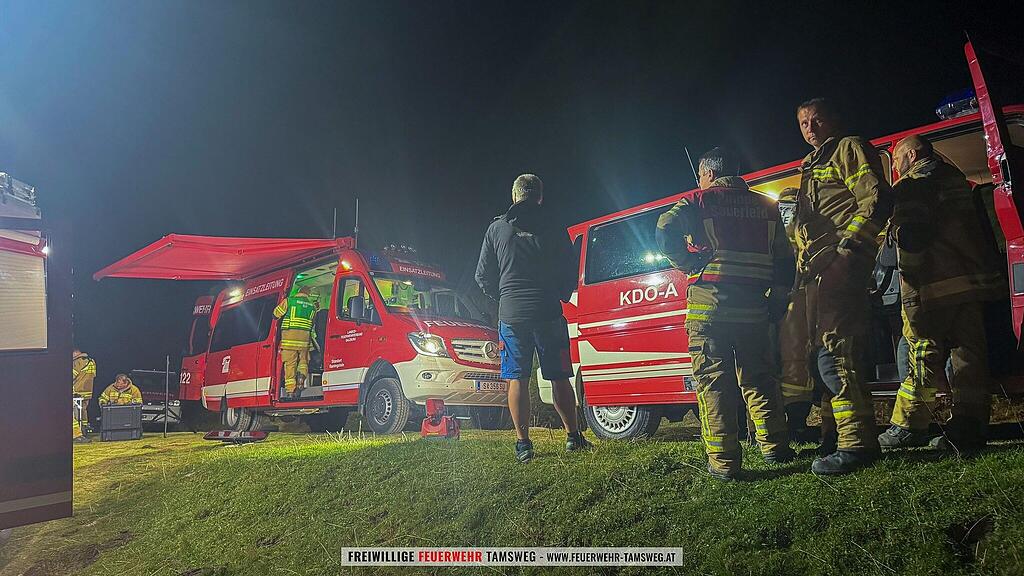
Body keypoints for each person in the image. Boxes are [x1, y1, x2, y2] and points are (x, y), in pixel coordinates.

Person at [656, 147, 794, 480]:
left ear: (707, 174)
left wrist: (687, 262)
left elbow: (663, 230)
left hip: (710, 311)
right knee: (760, 379)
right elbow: (785, 258)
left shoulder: (698, 201)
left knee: (714, 384)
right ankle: (774, 447)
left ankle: (723, 462)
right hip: (753, 310)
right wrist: (777, 295)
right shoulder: (766, 205)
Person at [877, 135, 1004, 453]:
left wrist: (911, 276)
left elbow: (911, 234)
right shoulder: (955, 179)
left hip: (933, 284)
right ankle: (968, 425)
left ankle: (909, 425)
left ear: (912, 154)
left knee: (922, 352)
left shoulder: (914, 182)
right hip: (968, 282)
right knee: (969, 355)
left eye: (896, 160)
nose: (896, 167)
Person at [793, 98, 893, 475]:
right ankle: (833, 436)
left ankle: (857, 444)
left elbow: (877, 199)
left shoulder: (848, 148)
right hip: (818, 273)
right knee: (819, 357)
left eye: (817, 119)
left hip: (840, 266)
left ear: (834, 118)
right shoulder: (809, 165)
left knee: (835, 352)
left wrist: (848, 249)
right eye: (803, 122)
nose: (811, 127)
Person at [475, 173, 591, 462]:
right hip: (548, 311)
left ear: (514, 196)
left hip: (512, 316)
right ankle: (573, 437)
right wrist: (562, 292)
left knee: (517, 378)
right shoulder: (553, 226)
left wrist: (503, 297)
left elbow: (482, 276)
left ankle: (523, 445)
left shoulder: (497, 229)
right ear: (539, 197)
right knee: (559, 376)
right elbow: (569, 269)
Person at [774, 188, 838, 452]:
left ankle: (820, 430)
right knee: (808, 365)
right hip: (803, 301)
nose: (784, 214)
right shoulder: (795, 234)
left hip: (803, 302)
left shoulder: (807, 232)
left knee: (804, 363)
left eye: (787, 207)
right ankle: (825, 431)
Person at [273, 285, 320, 398]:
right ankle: (300, 381)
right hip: (304, 341)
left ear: (298, 292)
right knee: (303, 362)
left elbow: (275, 314)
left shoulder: (289, 301)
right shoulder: (313, 307)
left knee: (290, 364)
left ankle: (290, 391)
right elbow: (313, 323)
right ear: (308, 294)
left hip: (289, 340)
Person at [72, 348, 97, 440]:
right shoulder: (91, 361)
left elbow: (71, 375)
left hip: (77, 391)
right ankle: (84, 429)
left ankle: (78, 432)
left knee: (75, 413)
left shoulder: (78, 362)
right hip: (88, 391)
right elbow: (94, 375)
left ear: (75, 353)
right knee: (83, 410)